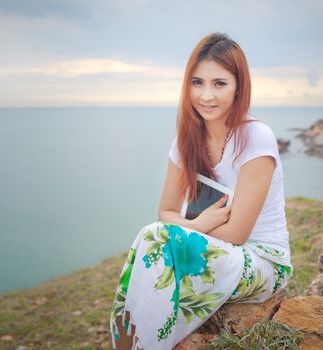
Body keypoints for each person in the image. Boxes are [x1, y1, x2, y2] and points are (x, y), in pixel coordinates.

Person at [109, 32, 293, 350]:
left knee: (157, 238)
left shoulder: (256, 138)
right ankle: (131, 343)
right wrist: (196, 226)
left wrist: (191, 230)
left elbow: (237, 232)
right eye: (197, 83)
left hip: (263, 262)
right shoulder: (186, 141)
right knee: (148, 239)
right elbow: (165, 212)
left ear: (239, 86)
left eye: (219, 83)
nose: (206, 95)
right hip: (215, 247)